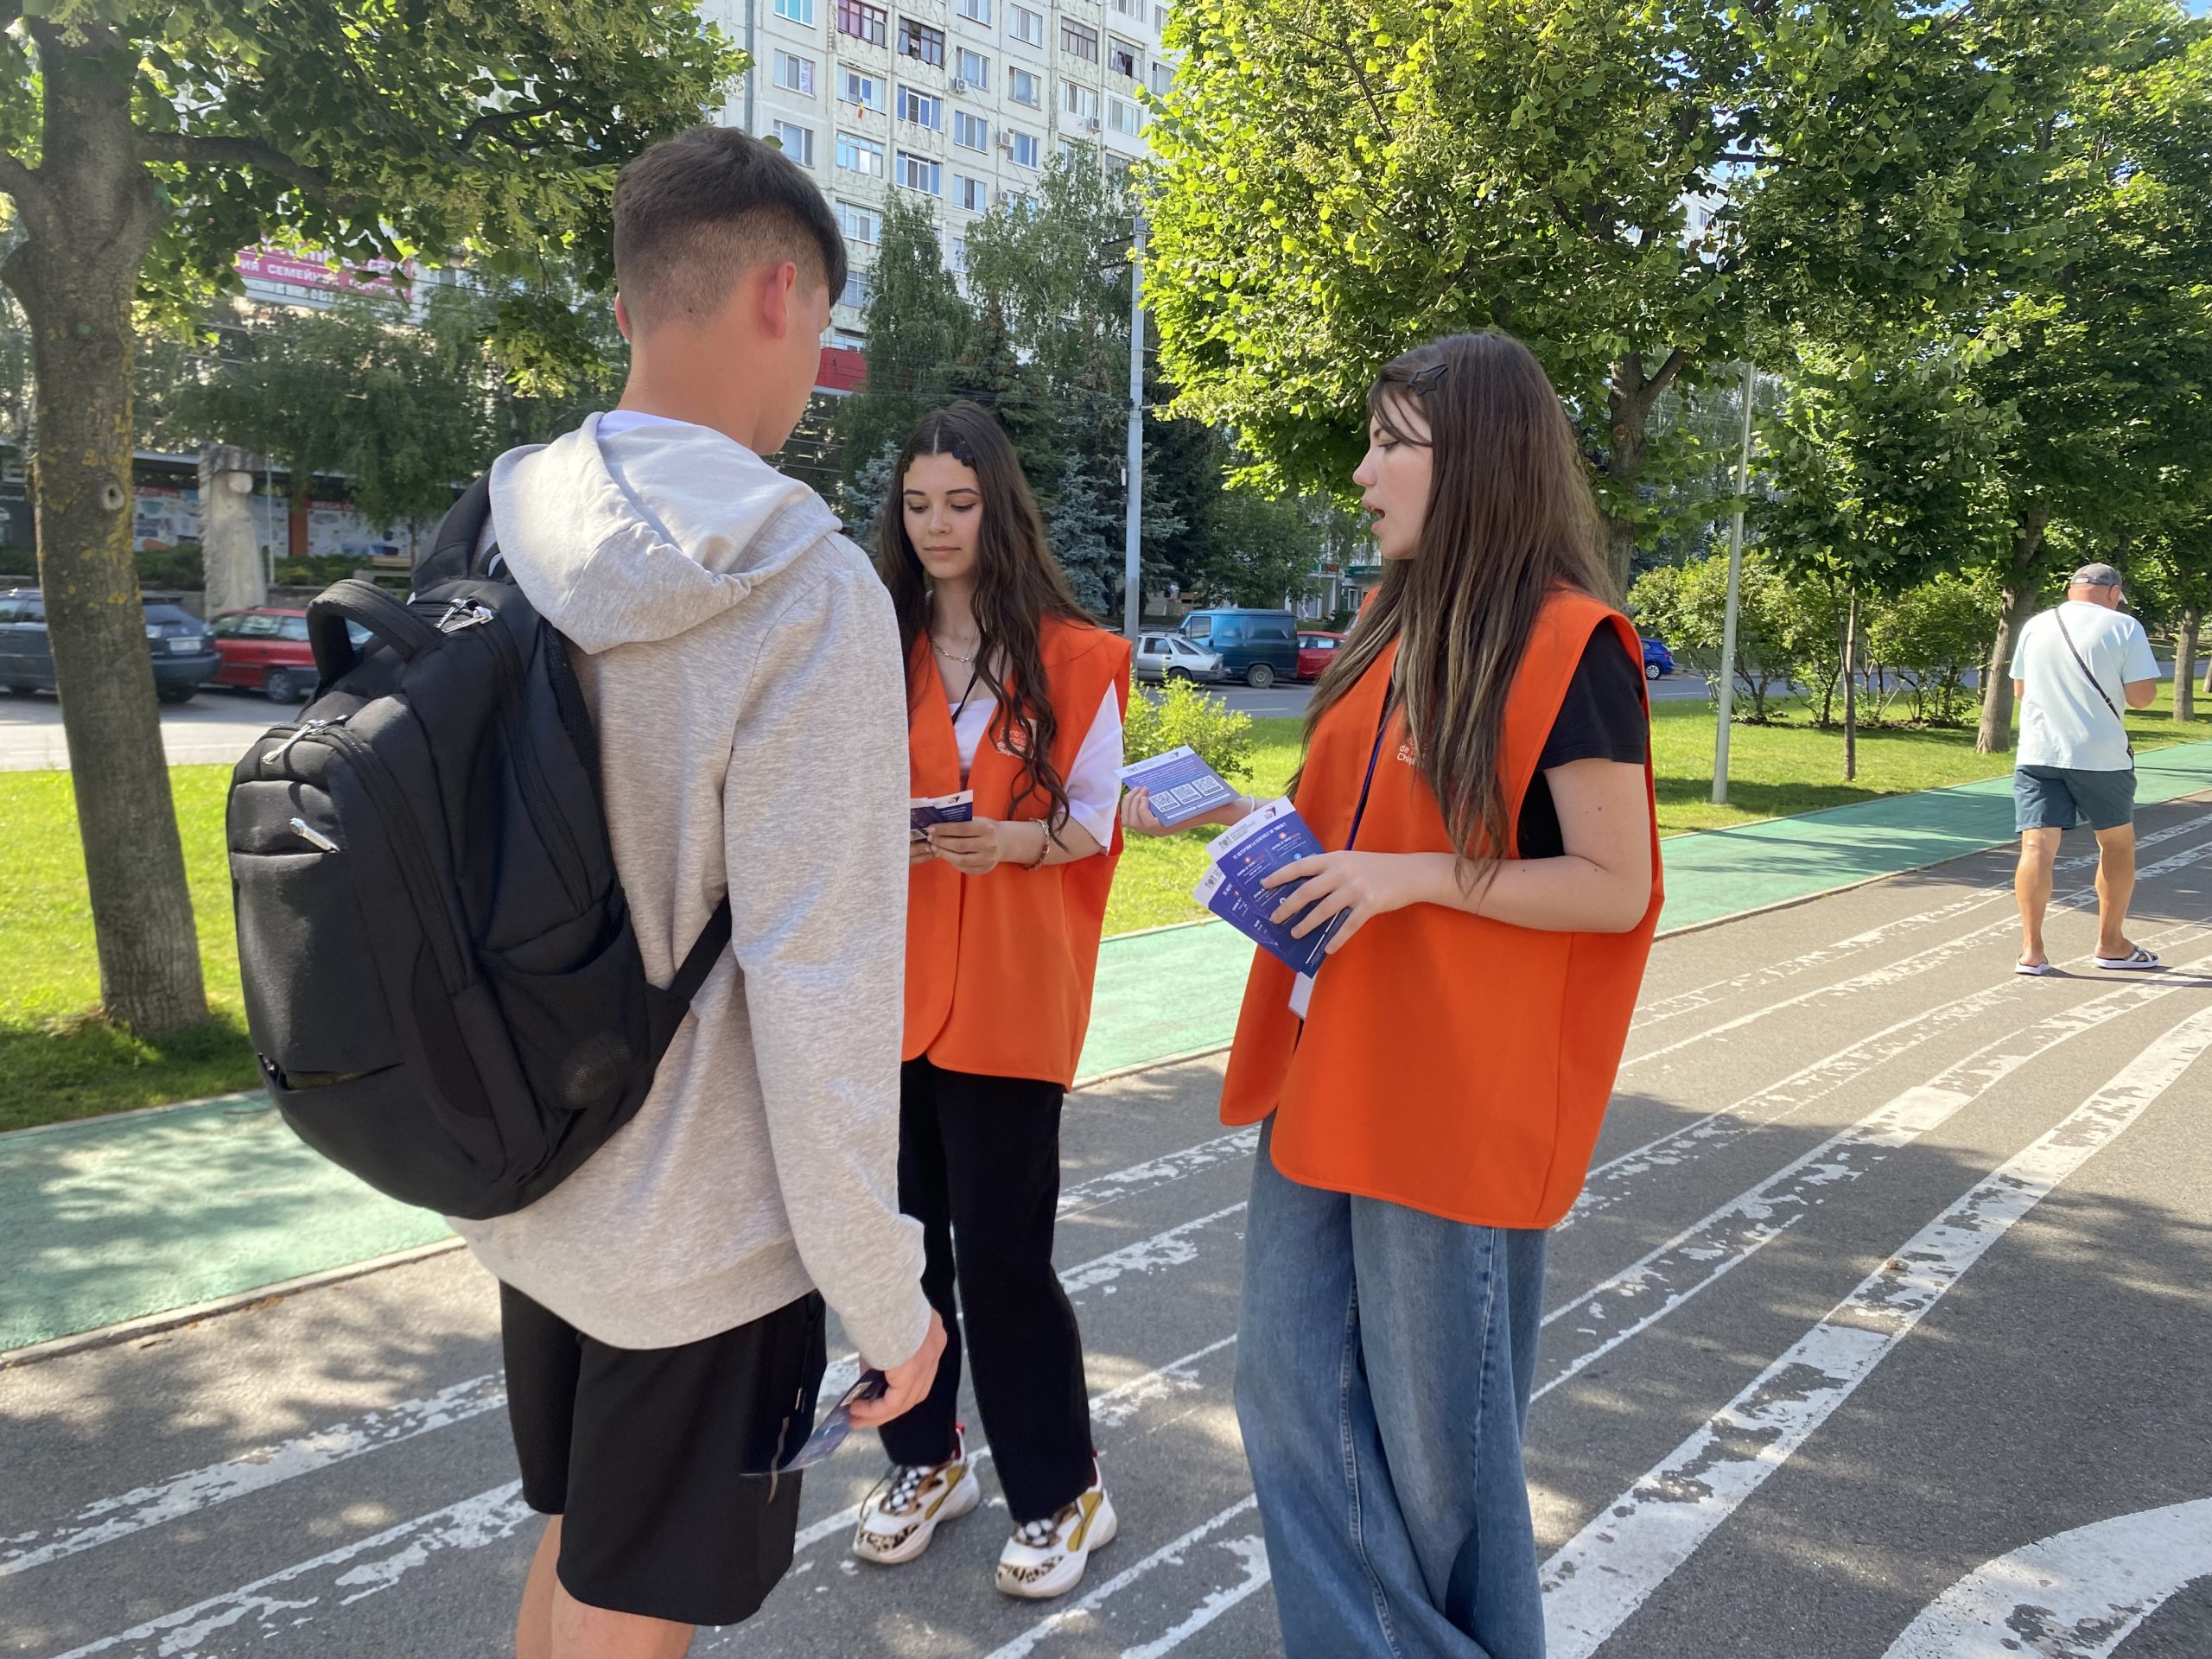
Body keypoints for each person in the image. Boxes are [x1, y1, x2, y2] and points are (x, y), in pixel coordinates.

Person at [449, 127, 945, 1659]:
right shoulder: (803, 585)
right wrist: (889, 1296)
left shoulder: (500, 523)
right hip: (700, 1231)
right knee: (635, 1602)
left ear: (626, 310)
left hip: (531, 1170)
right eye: (826, 327)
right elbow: (821, 981)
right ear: (783, 294)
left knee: (577, 1543)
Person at [1124, 332, 1661, 1659]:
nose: (1363, 473)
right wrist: (1235, 817)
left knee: (1439, 1469)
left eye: (1391, 444)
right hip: (1327, 1066)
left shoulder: (1572, 646)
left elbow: (1614, 885)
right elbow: (1349, 834)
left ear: (1474, 460)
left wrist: (1408, 879)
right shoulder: (1383, 626)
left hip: (1452, 1097)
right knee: (1287, 1397)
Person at [848, 400, 1132, 1601]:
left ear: (998, 508)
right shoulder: (873, 646)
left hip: (1012, 999)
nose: (937, 525)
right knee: (896, 1254)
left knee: (1005, 1260)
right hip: (888, 998)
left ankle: (1065, 1492)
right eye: (917, 504)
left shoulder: (1079, 656)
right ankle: (927, 1459)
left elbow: (1097, 819)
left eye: (959, 503)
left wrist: (1014, 844)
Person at [2010, 561, 2162, 976]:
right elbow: (2143, 697)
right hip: (2100, 756)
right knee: (2116, 845)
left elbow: (2021, 690)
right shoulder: (2125, 627)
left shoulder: (2035, 625)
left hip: (2038, 752)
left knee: (2036, 848)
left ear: (2070, 590)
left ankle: (2031, 951)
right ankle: (2111, 945)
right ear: (2113, 593)